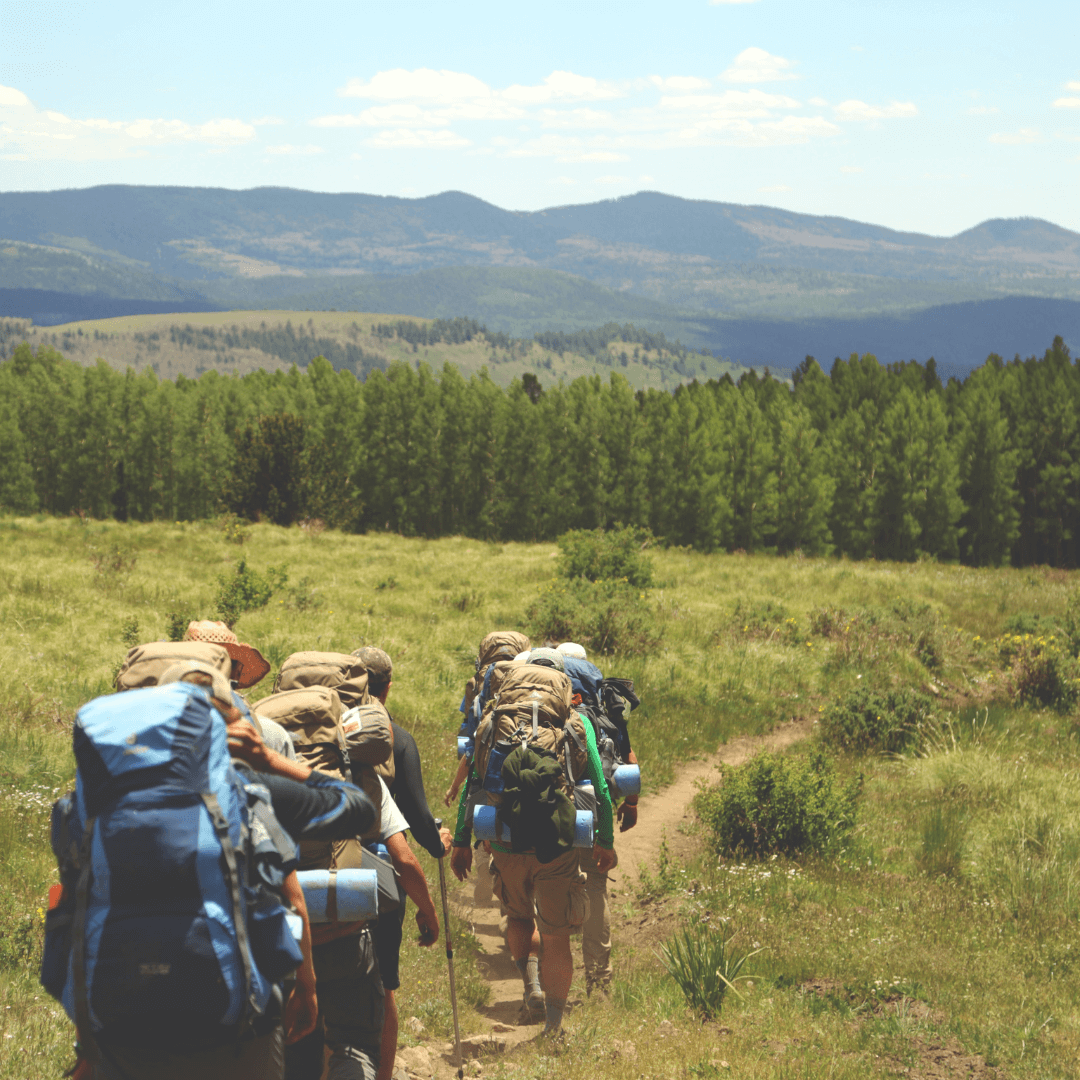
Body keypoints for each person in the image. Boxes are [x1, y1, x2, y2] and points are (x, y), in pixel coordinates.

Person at [47, 670, 376, 1080]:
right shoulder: (246, 793)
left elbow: (74, 909)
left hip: (120, 1026)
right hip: (235, 1029)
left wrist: (86, 1039)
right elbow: (357, 809)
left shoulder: (84, 810)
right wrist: (269, 760)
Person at [450, 649, 616, 1036]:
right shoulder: (575, 723)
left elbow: (474, 784)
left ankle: (531, 988)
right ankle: (554, 1028)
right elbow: (602, 789)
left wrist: (462, 839)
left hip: (506, 842)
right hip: (556, 842)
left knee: (519, 916)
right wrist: (604, 840)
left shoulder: (492, 722)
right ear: (563, 683)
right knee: (557, 936)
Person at [354, 647, 449, 1080]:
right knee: (383, 987)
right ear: (387, 687)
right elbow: (416, 821)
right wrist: (442, 843)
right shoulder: (397, 739)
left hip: (315, 872)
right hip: (379, 880)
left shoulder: (326, 736)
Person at [556, 643, 641, 995]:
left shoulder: (542, 712)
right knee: (595, 888)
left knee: (546, 892)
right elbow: (629, 762)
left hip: (550, 814)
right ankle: (599, 980)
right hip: (590, 812)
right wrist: (631, 804)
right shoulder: (599, 710)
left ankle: (549, 981)